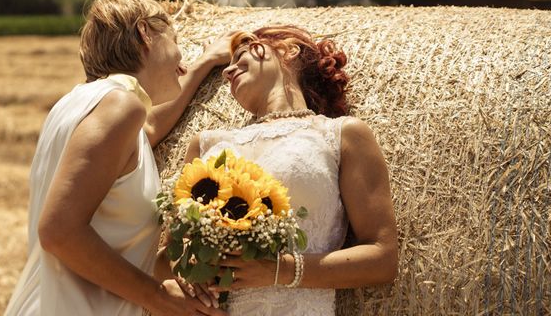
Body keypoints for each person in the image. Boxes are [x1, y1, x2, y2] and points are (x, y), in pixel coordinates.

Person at [4, 0, 229, 316]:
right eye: (175, 37)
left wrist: (205, 62)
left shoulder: (80, 103)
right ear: (144, 33)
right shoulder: (120, 106)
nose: (183, 57)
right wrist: (157, 296)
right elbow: (59, 230)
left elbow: (147, 132)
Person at [165, 25, 398, 315]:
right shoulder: (206, 144)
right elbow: (167, 253)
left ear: (289, 50)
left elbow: (382, 257)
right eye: (227, 66)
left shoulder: (341, 135)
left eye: (241, 55)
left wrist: (281, 270)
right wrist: (183, 279)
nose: (228, 71)